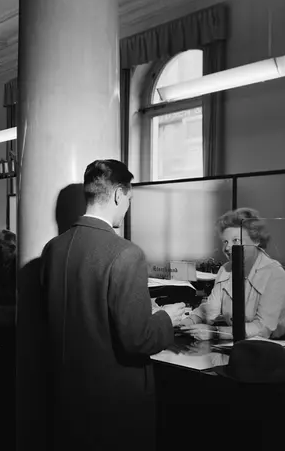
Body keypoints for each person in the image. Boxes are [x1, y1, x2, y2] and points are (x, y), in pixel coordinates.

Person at [41, 159, 185, 451]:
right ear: (119, 194)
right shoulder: (126, 253)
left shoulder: (53, 248)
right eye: (130, 199)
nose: (127, 206)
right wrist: (167, 318)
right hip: (114, 402)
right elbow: (138, 340)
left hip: (66, 395)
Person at [179, 207, 285, 341]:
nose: (228, 247)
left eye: (236, 240)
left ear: (256, 241)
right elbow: (211, 310)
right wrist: (190, 321)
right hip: (239, 342)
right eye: (225, 242)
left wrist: (215, 332)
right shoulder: (226, 269)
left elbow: (262, 329)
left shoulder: (275, 274)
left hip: (277, 345)